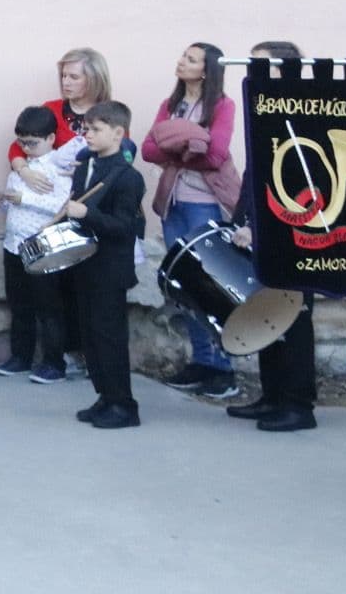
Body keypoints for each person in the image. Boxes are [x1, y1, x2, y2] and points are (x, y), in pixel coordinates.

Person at [228, 40, 319, 433]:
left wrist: (265, 228)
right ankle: (272, 395)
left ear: (286, 71)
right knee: (266, 315)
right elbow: (255, 176)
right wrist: (241, 219)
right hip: (261, 234)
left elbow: (305, 186)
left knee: (294, 322)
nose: (253, 72)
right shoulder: (263, 110)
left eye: (262, 66)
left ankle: (299, 405)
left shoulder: (301, 113)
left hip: (295, 239)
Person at [142, 42, 241, 400]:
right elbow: (149, 149)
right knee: (184, 287)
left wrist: (176, 142)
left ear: (207, 69)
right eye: (183, 55)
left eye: (191, 58)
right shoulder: (170, 105)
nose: (181, 61)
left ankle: (224, 369)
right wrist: (190, 140)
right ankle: (201, 361)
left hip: (204, 205)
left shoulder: (222, 106)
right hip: (173, 205)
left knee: (210, 286)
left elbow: (215, 154)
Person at [9, 47, 114, 379]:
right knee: (47, 291)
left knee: (79, 289)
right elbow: (19, 144)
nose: (66, 83)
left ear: (93, 78)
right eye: (63, 76)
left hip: (87, 206)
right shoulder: (51, 110)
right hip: (48, 215)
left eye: (74, 76)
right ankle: (49, 356)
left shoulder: (106, 113)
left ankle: (80, 354)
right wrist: (24, 169)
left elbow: (118, 153)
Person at [66, 101, 147, 430]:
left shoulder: (128, 177)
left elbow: (126, 227)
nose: (88, 134)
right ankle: (105, 396)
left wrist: (88, 215)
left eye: (96, 129)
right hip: (85, 264)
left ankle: (124, 405)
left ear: (118, 133)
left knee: (109, 337)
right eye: (86, 128)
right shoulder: (86, 167)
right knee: (91, 336)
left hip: (110, 269)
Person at [0, 106, 77, 383]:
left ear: (51, 139)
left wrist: (22, 200)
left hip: (43, 246)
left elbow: (60, 207)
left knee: (49, 307)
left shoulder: (59, 168)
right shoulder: (19, 169)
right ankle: (20, 356)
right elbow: (12, 209)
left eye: (32, 143)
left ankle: (54, 362)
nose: (26, 149)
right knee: (19, 305)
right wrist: (4, 201)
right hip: (14, 245)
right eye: (22, 143)